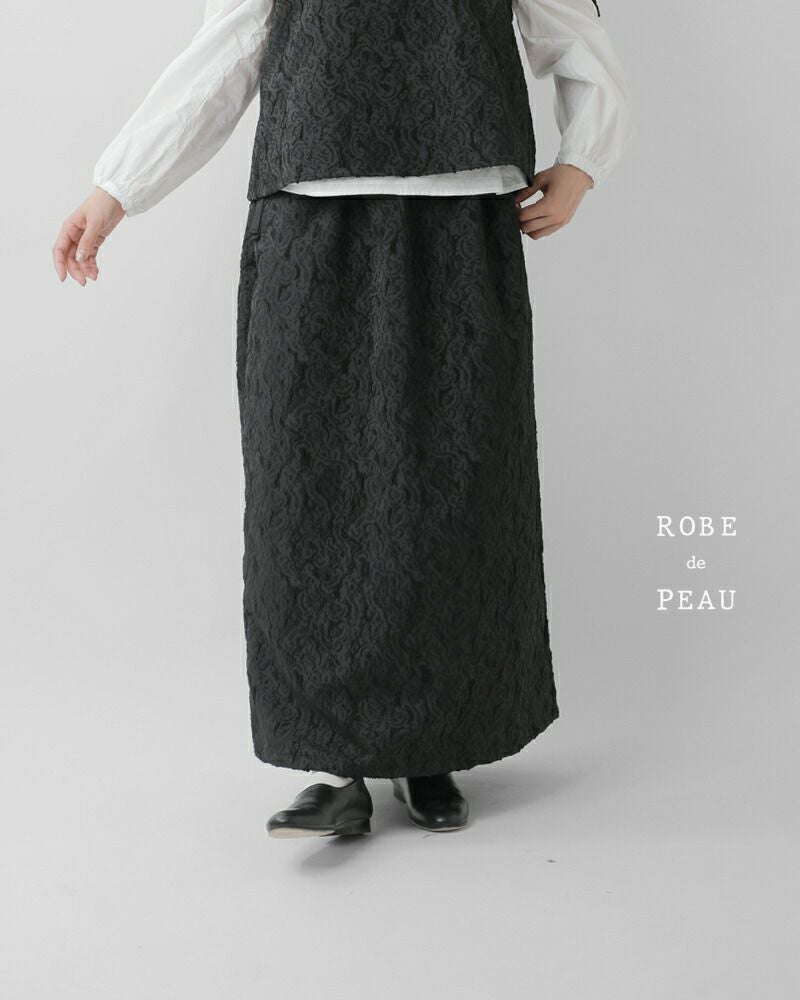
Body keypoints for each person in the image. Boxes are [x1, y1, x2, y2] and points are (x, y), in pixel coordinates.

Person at [52, 0, 633, 838]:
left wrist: (583, 161)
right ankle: (334, 765)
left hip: (459, 213)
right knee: (309, 489)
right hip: (310, 213)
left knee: (453, 489)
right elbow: (227, 53)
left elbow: (572, 30)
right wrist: (118, 187)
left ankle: (435, 747)